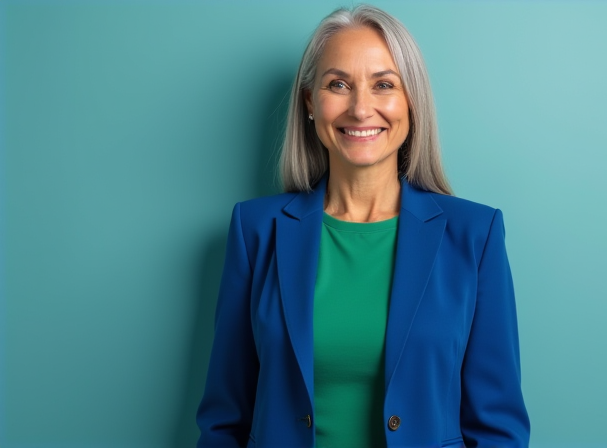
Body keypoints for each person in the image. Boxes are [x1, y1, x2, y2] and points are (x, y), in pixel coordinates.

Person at [196, 5, 530, 448]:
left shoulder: (475, 235)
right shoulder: (255, 231)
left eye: (384, 85)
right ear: (311, 103)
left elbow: (498, 430)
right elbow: (224, 421)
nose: (360, 107)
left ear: (411, 102)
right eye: (338, 84)